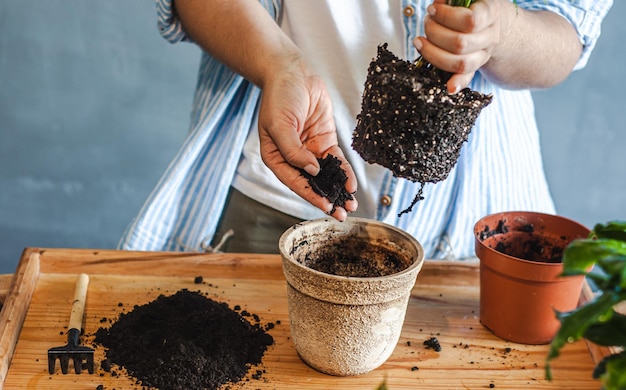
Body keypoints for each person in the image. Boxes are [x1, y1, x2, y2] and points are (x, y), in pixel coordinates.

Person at [119, 0, 612, 259]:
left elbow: (566, 31)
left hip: (458, 232)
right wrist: (278, 65)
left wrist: (499, 33)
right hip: (275, 201)